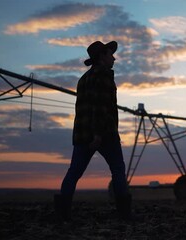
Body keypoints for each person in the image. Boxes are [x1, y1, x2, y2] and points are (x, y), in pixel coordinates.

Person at [54, 41, 131, 221]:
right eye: (110, 54)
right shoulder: (103, 76)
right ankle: (124, 213)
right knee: (118, 169)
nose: (114, 57)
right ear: (102, 57)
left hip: (81, 134)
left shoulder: (84, 79)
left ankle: (62, 213)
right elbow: (100, 107)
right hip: (104, 133)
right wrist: (97, 135)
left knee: (74, 172)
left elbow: (83, 109)